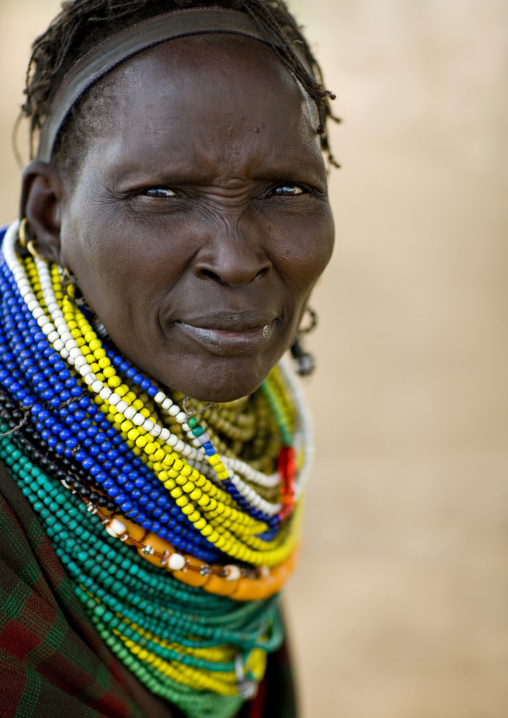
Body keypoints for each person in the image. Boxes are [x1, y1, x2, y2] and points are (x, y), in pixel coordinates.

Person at [0, 1, 336, 716]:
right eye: (161, 194)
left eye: (287, 190)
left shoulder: (216, 468)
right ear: (50, 216)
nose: (238, 259)